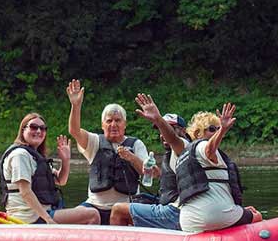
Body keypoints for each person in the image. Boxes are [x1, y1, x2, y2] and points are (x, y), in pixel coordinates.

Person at [66, 79, 150, 225]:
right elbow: (74, 131)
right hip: (94, 206)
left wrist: (131, 158)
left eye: (118, 120)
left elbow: (147, 172)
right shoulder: (94, 142)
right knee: (78, 215)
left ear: (125, 124)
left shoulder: (136, 144)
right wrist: (76, 105)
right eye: (109, 121)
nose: (113, 125)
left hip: (124, 208)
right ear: (102, 125)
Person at [174, 103, 262, 233]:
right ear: (198, 133)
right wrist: (223, 129)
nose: (216, 132)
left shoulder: (184, 155)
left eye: (218, 128)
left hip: (189, 221)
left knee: (243, 212)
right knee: (257, 216)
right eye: (212, 129)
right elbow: (209, 150)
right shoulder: (202, 146)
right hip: (213, 215)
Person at [0, 113, 100, 225]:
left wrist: (65, 160)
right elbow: (25, 192)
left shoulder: (36, 156)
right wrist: (48, 219)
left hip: (44, 212)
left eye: (42, 128)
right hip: (29, 217)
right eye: (33, 127)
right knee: (92, 215)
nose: (38, 131)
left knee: (85, 209)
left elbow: (61, 180)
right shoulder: (20, 155)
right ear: (23, 130)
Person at [109, 94, 189, 228]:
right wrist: (159, 174)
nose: (163, 134)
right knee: (140, 200)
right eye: (160, 130)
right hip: (171, 206)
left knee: (118, 210)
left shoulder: (183, 147)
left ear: (183, 131)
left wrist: (158, 119)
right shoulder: (172, 153)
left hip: (176, 212)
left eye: (169, 129)